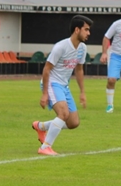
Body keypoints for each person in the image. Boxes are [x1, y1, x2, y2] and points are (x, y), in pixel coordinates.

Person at [32, 15, 92, 156]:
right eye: (86, 30)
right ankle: (45, 147)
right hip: (52, 84)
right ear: (77, 30)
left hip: (64, 86)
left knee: (73, 122)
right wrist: (45, 93)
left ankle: (41, 127)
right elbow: (46, 69)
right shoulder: (61, 46)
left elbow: (79, 69)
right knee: (63, 114)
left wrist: (82, 92)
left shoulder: (82, 48)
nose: (89, 33)